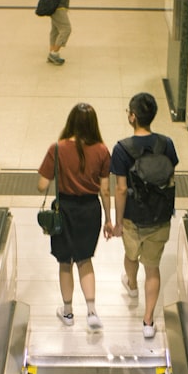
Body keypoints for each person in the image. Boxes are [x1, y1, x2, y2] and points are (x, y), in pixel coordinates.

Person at [37, 103, 113, 330]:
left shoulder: (57, 149)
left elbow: (42, 185)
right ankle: (91, 311)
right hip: (90, 210)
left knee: (65, 262)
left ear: (70, 122)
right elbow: (105, 190)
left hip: (64, 209)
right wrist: (108, 219)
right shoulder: (101, 150)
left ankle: (68, 312)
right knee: (84, 260)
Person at [110, 92, 179, 338]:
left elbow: (120, 189)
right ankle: (148, 321)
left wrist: (117, 223)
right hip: (160, 217)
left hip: (132, 217)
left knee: (131, 256)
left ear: (132, 116)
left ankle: (131, 285)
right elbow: (168, 176)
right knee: (153, 268)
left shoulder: (121, 149)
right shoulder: (167, 144)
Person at [47, 0, 71, 65]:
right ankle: (54, 54)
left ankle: (51, 53)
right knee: (66, 29)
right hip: (58, 6)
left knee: (55, 30)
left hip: (55, 6)